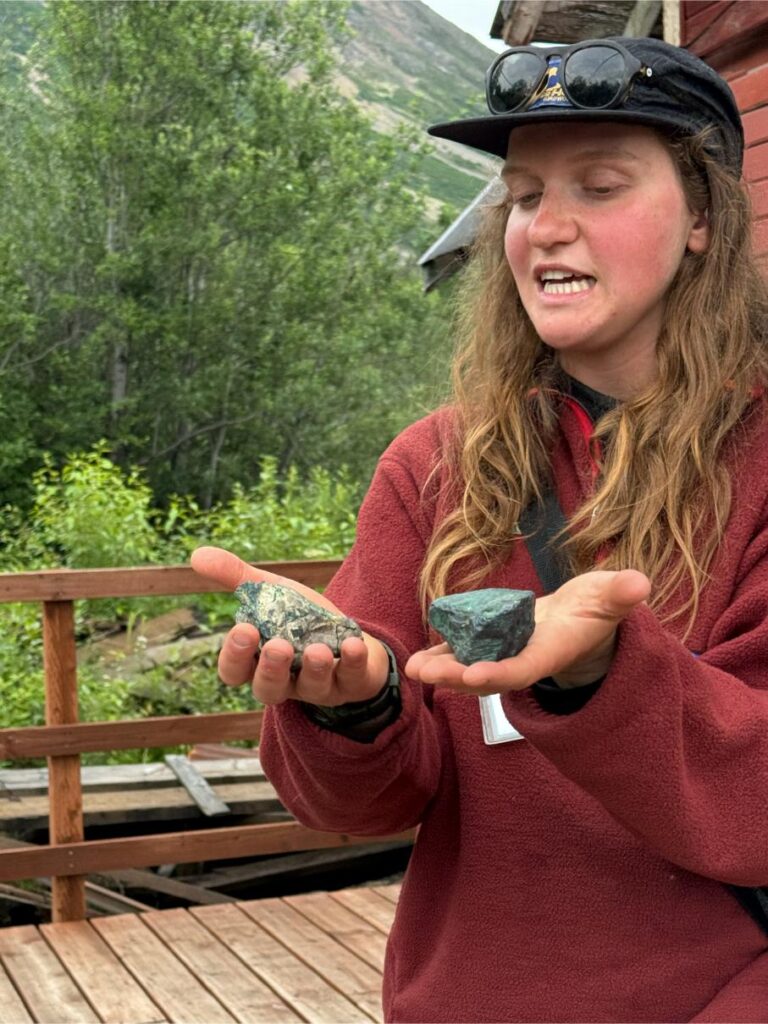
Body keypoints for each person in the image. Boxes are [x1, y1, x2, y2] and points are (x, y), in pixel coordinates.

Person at [191, 36, 768, 1023]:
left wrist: (598, 677)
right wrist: (356, 707)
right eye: (526, 193)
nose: (547, 227)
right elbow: (358, 805)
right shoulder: (431, 467)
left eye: (599, 185)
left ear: (704, 218)